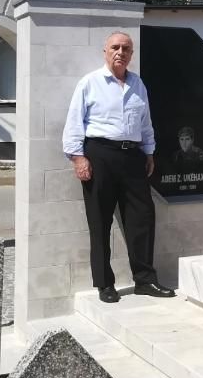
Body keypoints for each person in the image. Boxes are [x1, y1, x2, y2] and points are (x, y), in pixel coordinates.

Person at [63, 31, 175, 303]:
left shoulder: (138, 84)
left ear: (131, 54)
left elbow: (145, 122)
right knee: (99, 221)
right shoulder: (90, 83)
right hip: (99, 155)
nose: (120, 52)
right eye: (115, 47)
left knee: (142, 217)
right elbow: (74, 122)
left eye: (126, 48)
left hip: (133, 157)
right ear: (105, 51)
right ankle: (104, 284)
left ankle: (145, 280)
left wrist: (149, 151)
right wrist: (78, 158)